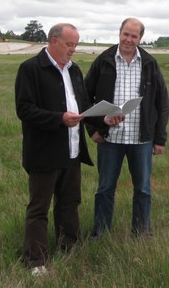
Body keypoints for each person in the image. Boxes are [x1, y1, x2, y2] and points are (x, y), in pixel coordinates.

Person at [14, 23, 122, 275]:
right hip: (44, 153)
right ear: (53, 41)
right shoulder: (30, 69)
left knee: (70, 203)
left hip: (72, 151)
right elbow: (25, 110)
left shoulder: (75, 71)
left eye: (75, 44)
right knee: (39, 208)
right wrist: (59, 119)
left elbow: (83, 105)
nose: (73, 49)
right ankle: (36, 262)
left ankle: (69, 248)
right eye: (69, 44)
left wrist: (103, 120)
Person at [85, 17, 169, 238]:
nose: (128, 39)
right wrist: (93, 129)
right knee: (105, 189)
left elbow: (162, 102)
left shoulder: (150, 64)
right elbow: (84, 97)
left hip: (141, 140)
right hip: (109, 139)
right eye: (125, 34)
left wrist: (160, 139)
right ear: (119, 33)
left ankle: (141, 233)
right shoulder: (103, 61)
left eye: (134, 36)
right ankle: (100, 233)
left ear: (140, 38)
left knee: (142, 190)